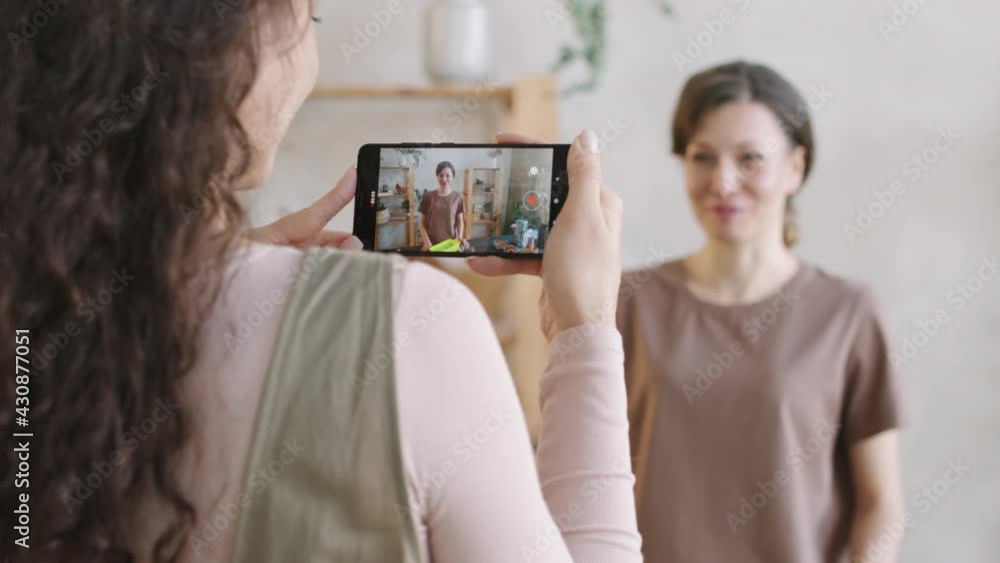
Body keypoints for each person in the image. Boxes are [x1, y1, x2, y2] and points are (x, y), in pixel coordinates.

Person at [0, 0, 642, 561]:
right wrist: (585, 330)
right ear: (231, 41)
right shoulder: (412, 325)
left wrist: (198, 274)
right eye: (312, 16)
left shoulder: (27, 319)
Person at [617, 60, 906, 563]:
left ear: (796, 167)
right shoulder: (628, 301)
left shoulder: (846, 313)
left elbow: (880, 502)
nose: (723, 182)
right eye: (702, 157)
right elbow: (578, 472)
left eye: (750, 158)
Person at [418, 161, 468, 251]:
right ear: (437, 176)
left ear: (453, 177)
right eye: (441, 175)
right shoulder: (428, 196)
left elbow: (460, 221)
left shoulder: (458, 197)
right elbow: (421, 223)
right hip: (431, 244)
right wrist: (426, 241)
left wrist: (460, 236)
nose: (444, 179)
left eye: (448, 176)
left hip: (450, 244)